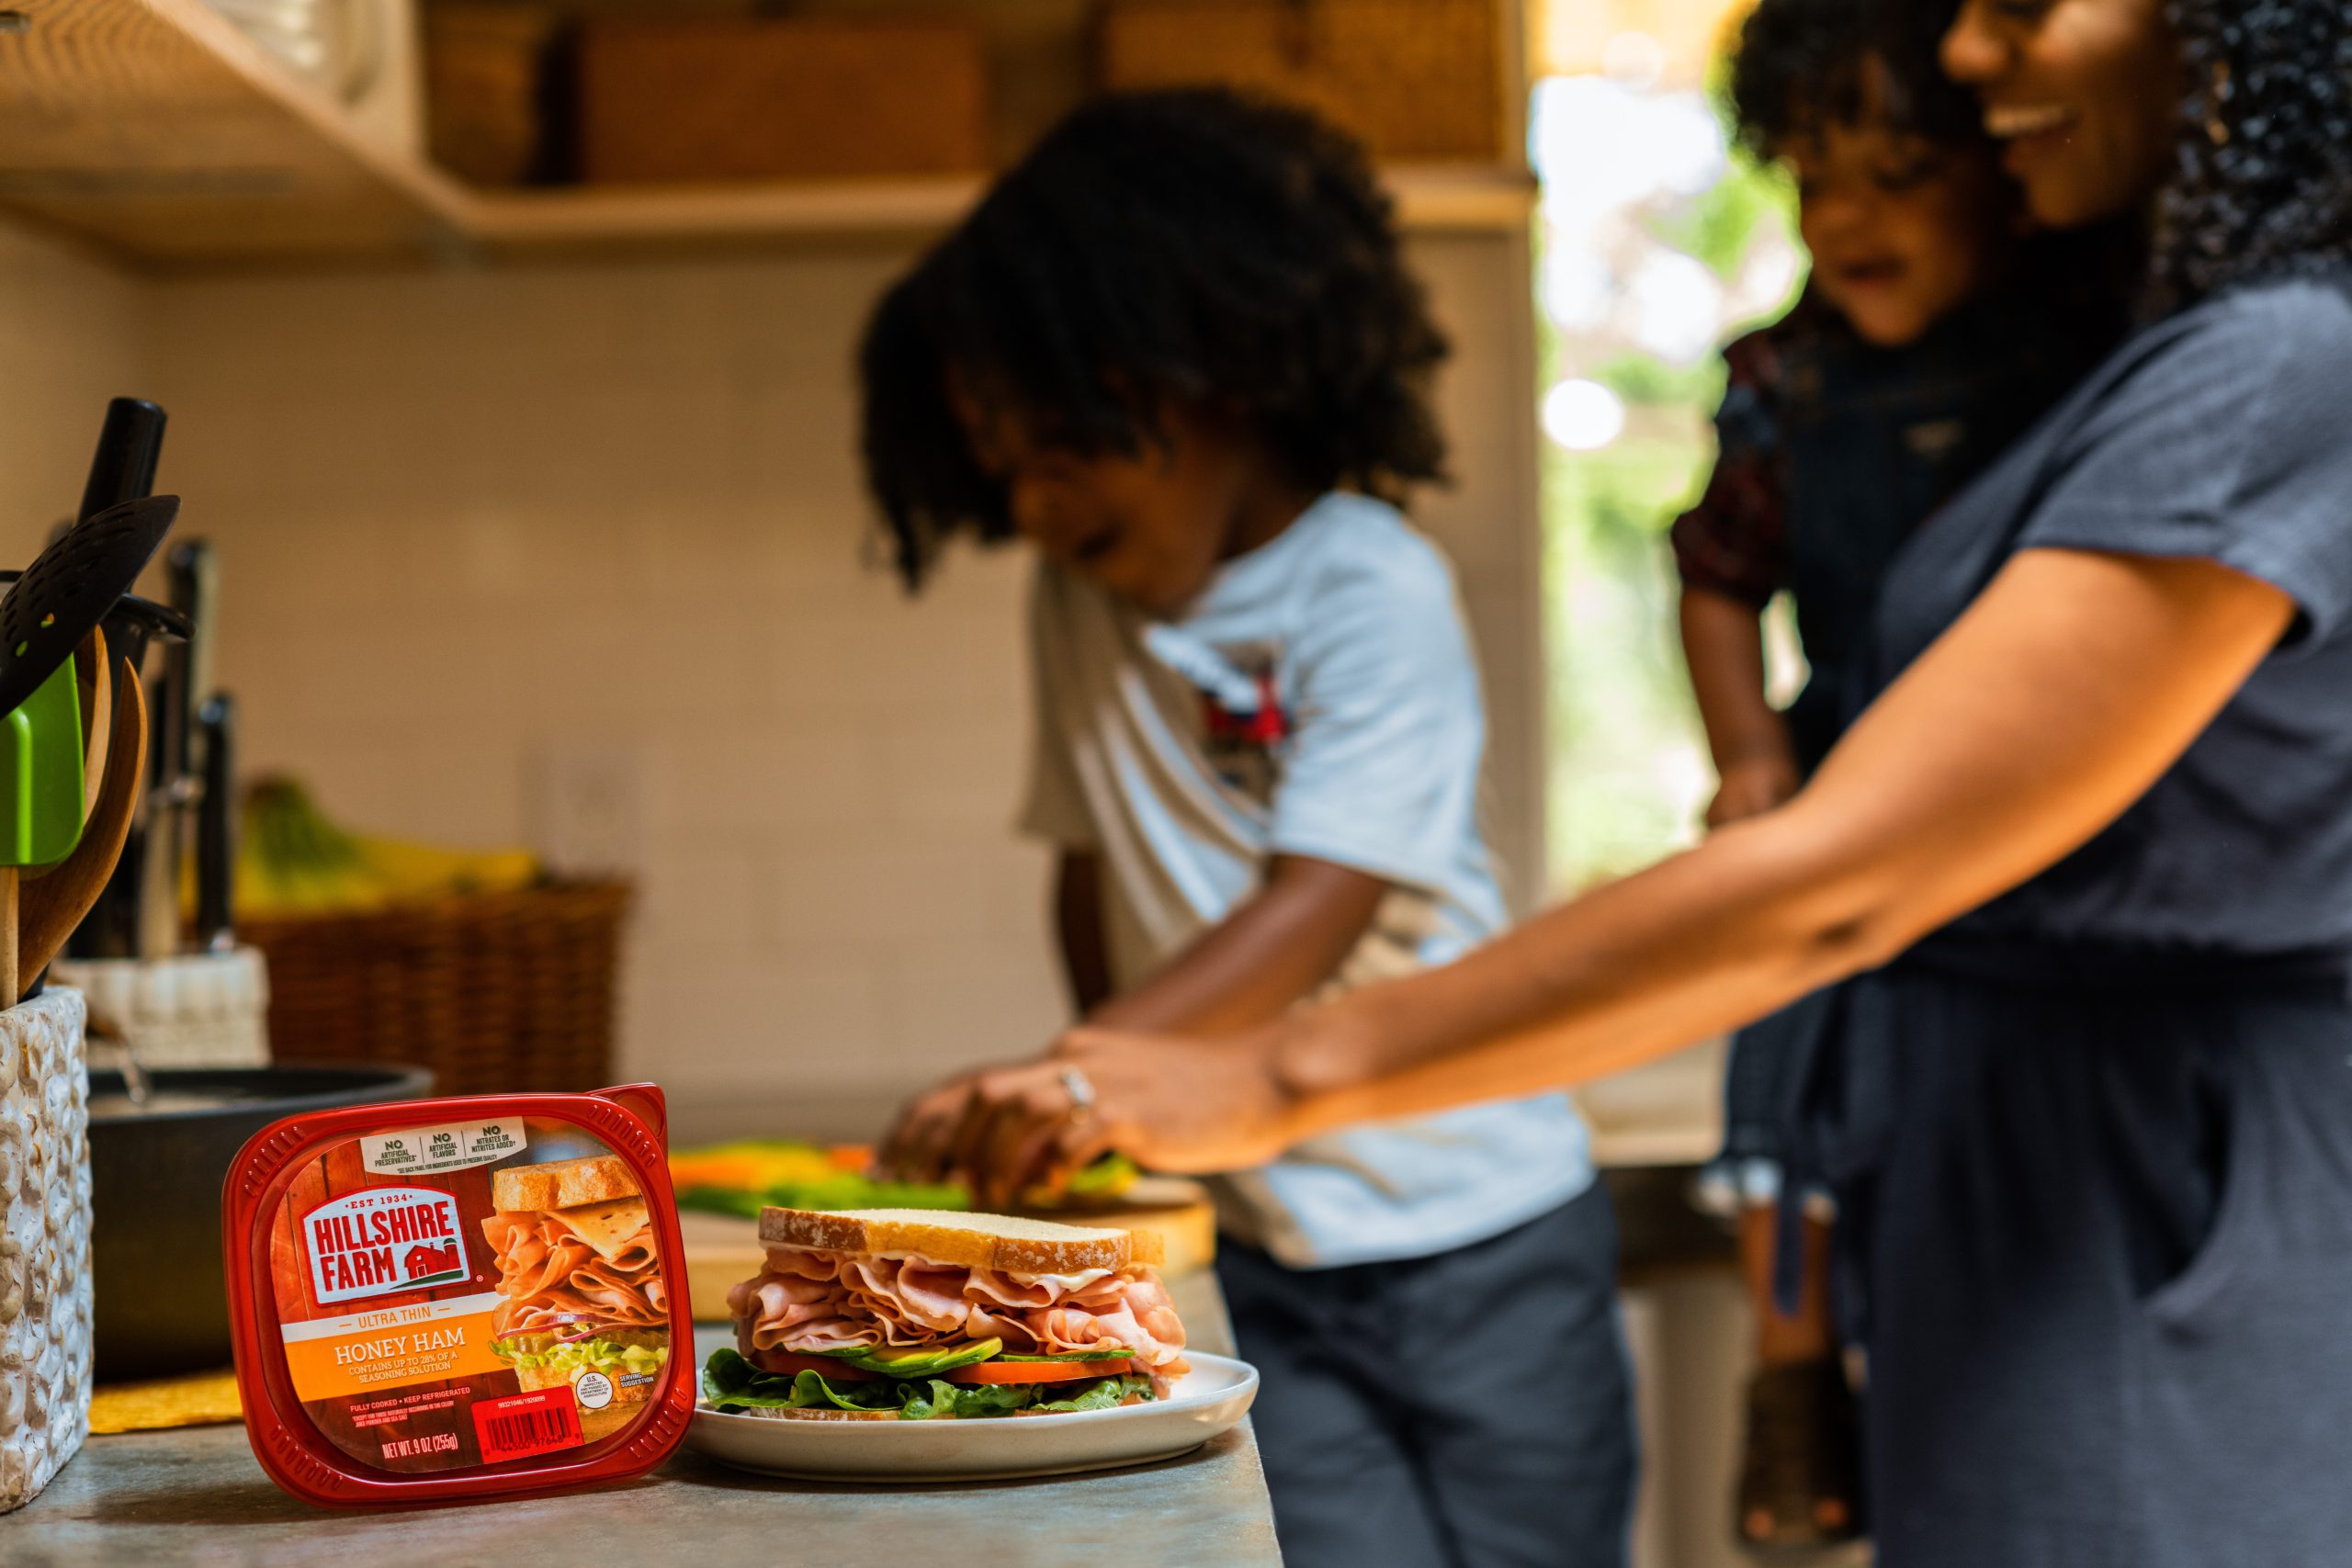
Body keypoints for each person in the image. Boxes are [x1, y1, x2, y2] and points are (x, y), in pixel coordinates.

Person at [885, 5, 2352, 1564]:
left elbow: (1836, 885)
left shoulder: (2274, 368)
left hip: (2154, 1190)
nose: (1970, 51)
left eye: (2020, 1)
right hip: (2001, 1166)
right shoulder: (2107, 363)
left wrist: (1270, 1075)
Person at [859, 88, 1635, 1568]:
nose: (1034, 499)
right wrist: (1105, 1088)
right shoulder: (1072, 596)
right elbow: (1090, 861)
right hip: (1261, 1248)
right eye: (1000, 461)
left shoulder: (1367, 581)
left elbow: (1323, 898)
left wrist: (1076, 1078)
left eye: (1061, 440)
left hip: (1486, 1236)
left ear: (1206, 368)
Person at [1681, 0, 2129, 1546]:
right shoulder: (1788, 379)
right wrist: (1748, 759)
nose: (1845, 217)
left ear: (2001, 173)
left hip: (2026, 814)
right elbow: (1718, 575)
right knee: (1782, 1063)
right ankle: (1794, 1381)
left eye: (1895, 172)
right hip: (1845, 781)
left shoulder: (2086, 358)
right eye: (1815, 179)